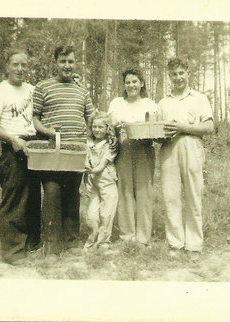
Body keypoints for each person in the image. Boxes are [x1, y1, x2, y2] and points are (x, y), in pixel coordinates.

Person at [0, 47, 41, 265]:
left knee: (33, 198)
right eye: (15, 64)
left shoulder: (32, 90)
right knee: (14, 199)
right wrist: (12, 140)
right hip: (12, 150)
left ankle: (32, 244)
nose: (20, 68)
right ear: (7, 66)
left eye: (24, 64)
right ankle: (12, 252)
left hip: (33, 147)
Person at [32, 45, 94, 255]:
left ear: (75, 64)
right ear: (55, 63)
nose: (67, 66)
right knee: (52, 194)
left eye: (71, 62)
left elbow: (92, 117)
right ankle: (51, 246)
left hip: (76, 152)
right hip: (51, 152)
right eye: (63, 61)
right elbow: (35, 119)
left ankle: (71, 243)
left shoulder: (82, 90)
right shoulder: (43, 87)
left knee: (72, 196)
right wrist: (47, 131)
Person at [158, 58, 214, 260]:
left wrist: (183, 127)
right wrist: (159, 134)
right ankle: (175, 243)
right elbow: (158, 130)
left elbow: (209, 127)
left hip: (192, 146)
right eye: (174, 74)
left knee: (193, 195)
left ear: (188, 73)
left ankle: (194, 245)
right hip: (169, 149)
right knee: (170, 197)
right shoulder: (163, 102)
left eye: (181, 73)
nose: (178, 77)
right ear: (169, 76)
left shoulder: (199, 98)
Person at [108, 68, 157, 246]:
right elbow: (109, 128)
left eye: (135, 81)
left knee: (144, 192)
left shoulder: (150, 104)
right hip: (124, 148)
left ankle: (143, 238)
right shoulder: (117, 103)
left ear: (142, 83)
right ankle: (127, 237)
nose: (131, 85)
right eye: (128, 82)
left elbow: (156, 129)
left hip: (144, 148)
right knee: (125, 191)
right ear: (124, 85)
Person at [83, 111, 118, 250]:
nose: (97, 130)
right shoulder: (88, 143)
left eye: (101, 127)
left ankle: (103, 242)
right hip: (92, 183)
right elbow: (85, 159)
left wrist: (89, 170)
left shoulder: (110, 145)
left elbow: (102, 165)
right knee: (91, 215)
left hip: (107, 182)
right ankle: (91, 241)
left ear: (107, 129)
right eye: (94, 127)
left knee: (106, 213)